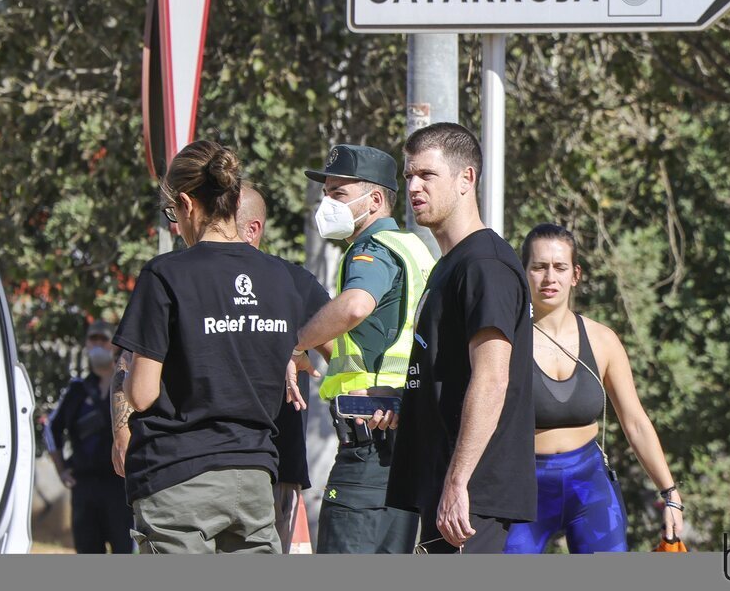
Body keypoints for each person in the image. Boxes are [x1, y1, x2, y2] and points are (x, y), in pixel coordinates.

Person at [111, 139, 314, 554]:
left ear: (186, 204)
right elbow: (311, 353)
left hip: (176, 478)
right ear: (234, 197)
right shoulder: (282, 278)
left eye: (173, 213)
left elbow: (143, 394)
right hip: (255, 476)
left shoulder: (166, 274)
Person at [379, 122, 537, 554]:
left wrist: (458, 480)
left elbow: (492, 378)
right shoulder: (450, 263)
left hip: (471, 493)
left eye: (427, 175)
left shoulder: (484, 264)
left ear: (466, 179)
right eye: (409, 175)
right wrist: (403, 400)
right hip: (445, 481)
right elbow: (447, 373)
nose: (413, 186)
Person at [503, 224, 684, 553]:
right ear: (524, 272)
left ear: (575, 275)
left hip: (588, 483)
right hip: (523, 485)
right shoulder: (504, 342)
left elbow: (636, 422)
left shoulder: (603, 341)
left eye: (559, 268)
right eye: (539, 267)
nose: (549, 278)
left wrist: (670, 493)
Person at [293, 144, 436, 553]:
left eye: (338, 194)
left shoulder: (372, 249)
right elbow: (379, 335)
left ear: (374, 200)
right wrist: (321, 345)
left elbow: (356, 306)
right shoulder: (413, 249)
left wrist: (295, 342)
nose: (327, 204)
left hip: (368, 441)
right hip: (404, 442)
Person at [235, 184, 332, 552]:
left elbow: (339, 353)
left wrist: (294, 349)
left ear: (253, 229)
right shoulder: (188, 278)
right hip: (203, 469)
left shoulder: (294, 282)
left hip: (277, 469)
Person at [45, 320, 133, 553]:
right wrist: (61, 470)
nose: (97, 344)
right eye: (93, 339)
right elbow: (51, 428)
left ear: (113, 345)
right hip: (84, 486)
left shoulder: (128, 384)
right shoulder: (77, 390)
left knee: (125, 549)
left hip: (120, 486)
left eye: (103, 339)